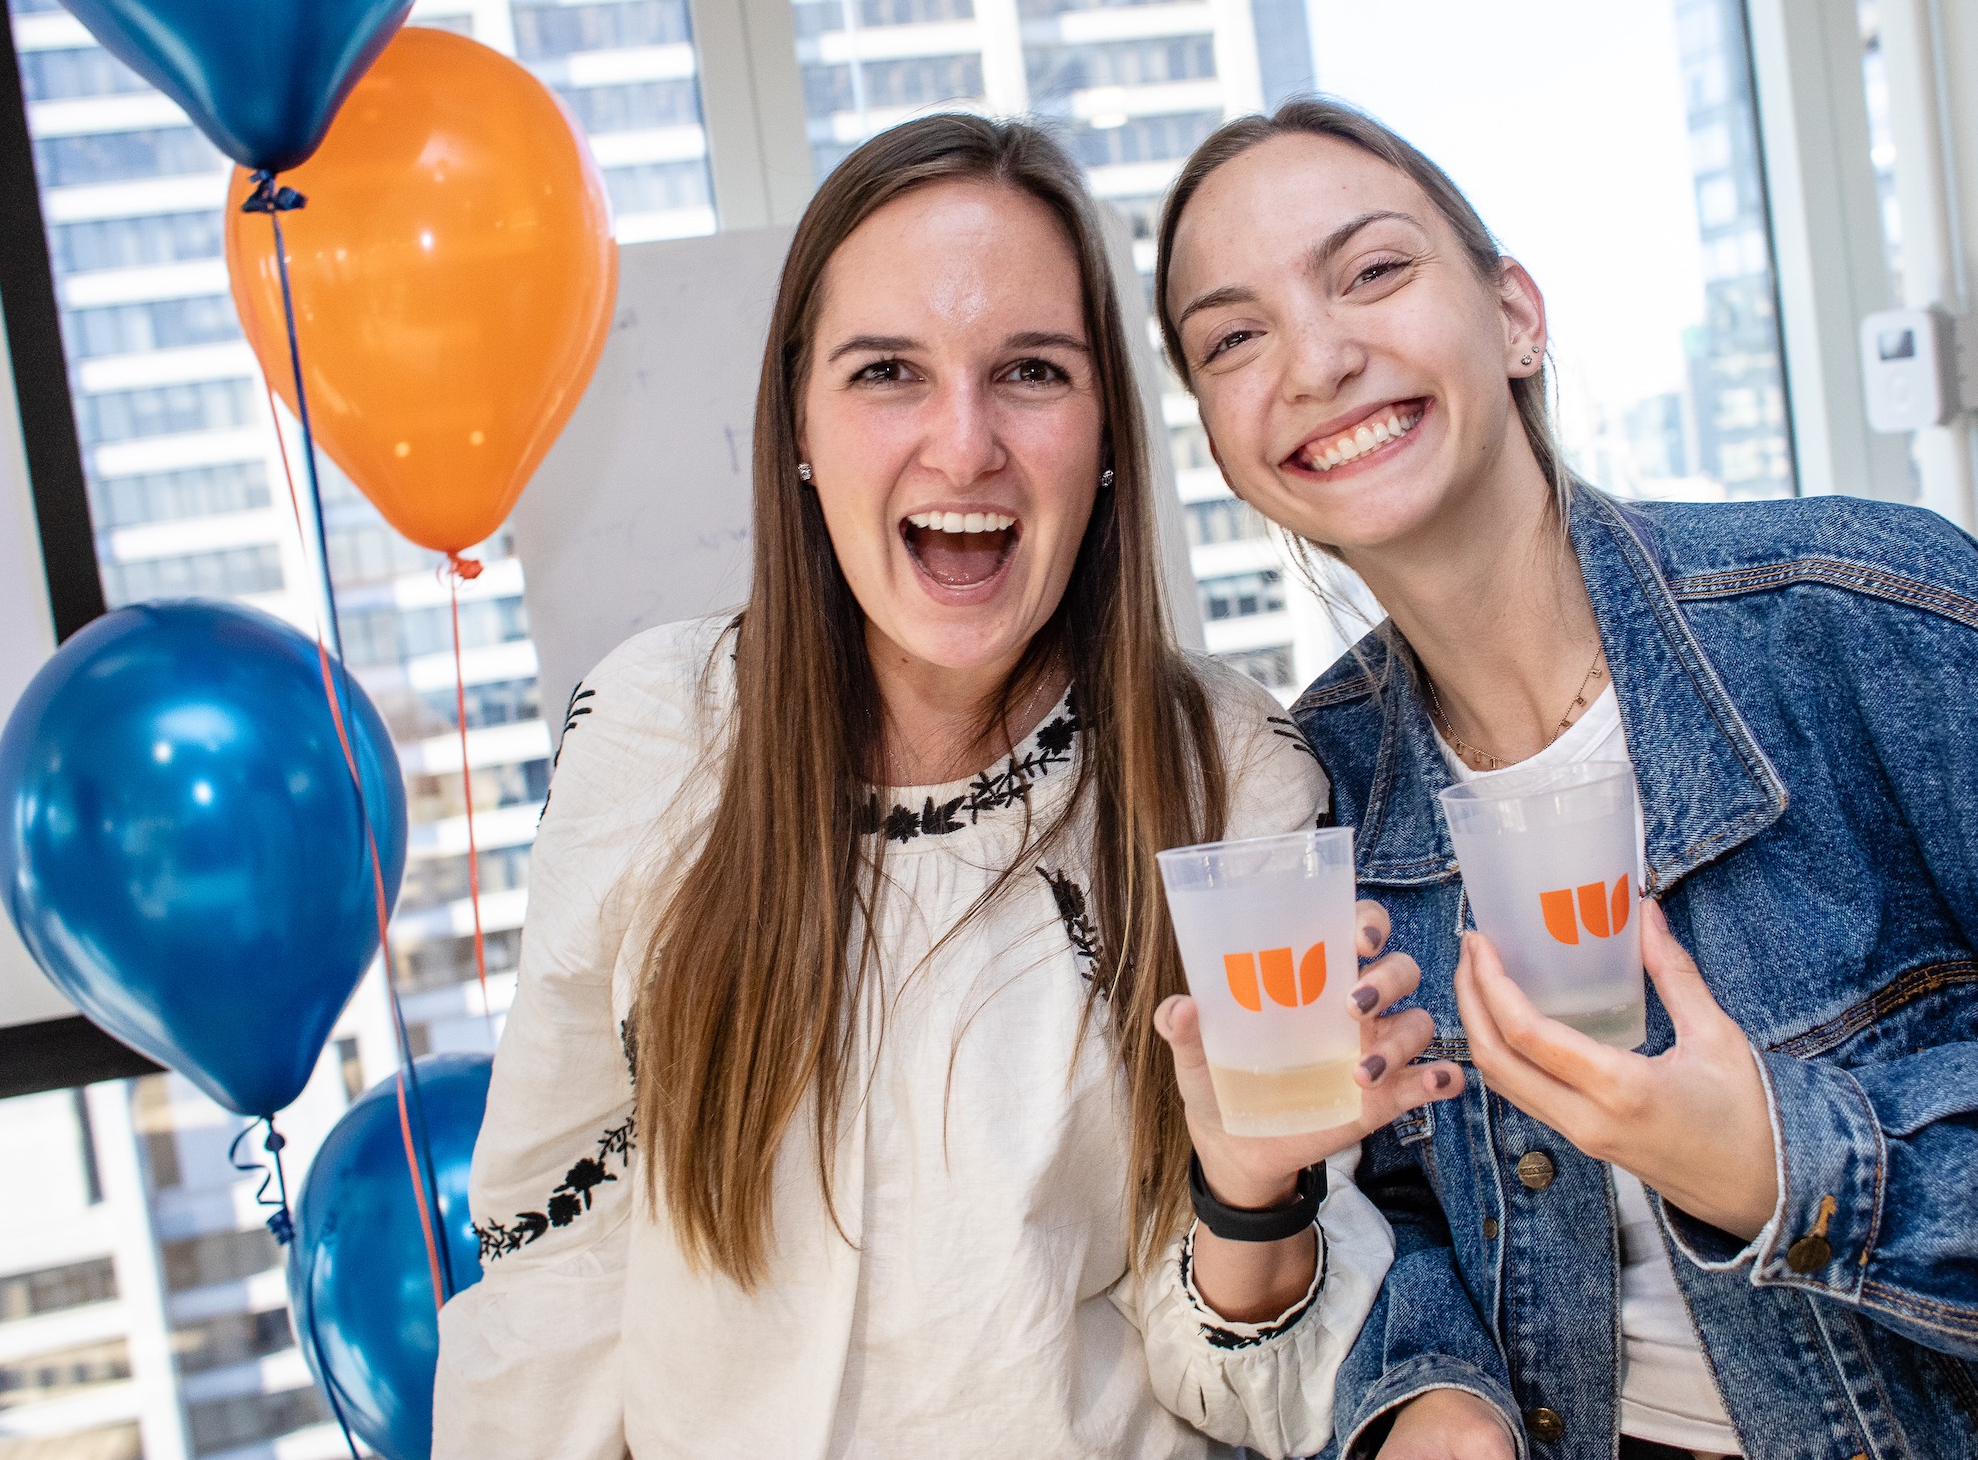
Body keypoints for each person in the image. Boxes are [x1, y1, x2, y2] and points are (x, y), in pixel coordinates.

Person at [1150, 96, 1978, 1460]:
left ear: (1516, 317)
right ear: (1229, 446)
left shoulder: (1866, 623)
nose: (1314, 358)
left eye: (1372, 271)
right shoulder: (1326, 787)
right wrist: (1428, 1385)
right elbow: (1415, 1212)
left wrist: (1794, 1165)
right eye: (1233, 337)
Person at [430, 113, 1462, 1459]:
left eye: (1029, 371)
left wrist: (1251, 1192)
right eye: (888, 373)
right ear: (798, 422)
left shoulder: (1231, 773)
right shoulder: (652, 732)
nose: (963, 444)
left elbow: (1260, 1391)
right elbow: (551, 1260)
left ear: (1106, 437)